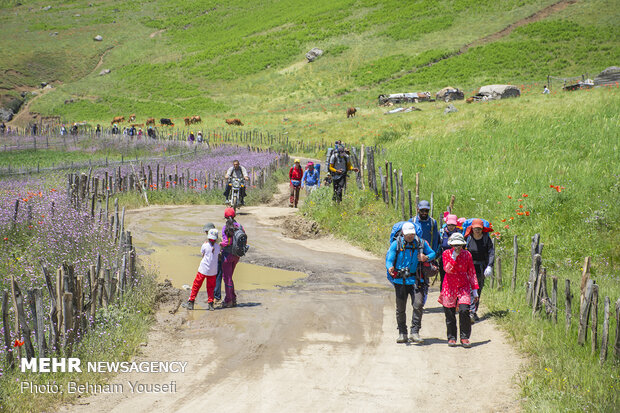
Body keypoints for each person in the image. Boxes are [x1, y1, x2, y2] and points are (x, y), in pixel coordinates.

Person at [386, 221, 436, 344]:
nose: (410, 236)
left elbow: (433, 253)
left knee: (418, 305)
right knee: (400, 308)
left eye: (412, 234)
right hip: (400, 280)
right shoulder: (395, 244)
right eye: (408, 234)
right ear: (403, 233)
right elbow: (389, 259)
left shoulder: (421, 243)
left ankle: (415, 332)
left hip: (416, 279)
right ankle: (402, 333)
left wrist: (426, 258)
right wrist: (390, 267)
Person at [439, 232, 479, 348]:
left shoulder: (467, 255)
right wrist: (454, 256)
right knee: (449, 313)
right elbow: (447, 269)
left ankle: (465, 337)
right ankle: (451, 337)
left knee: (464, 310)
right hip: (449, 286)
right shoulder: (446, 253)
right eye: (455, 245)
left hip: (463, 286)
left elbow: (471, 272)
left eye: (459, 245)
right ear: (451, 245)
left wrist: (475, 291)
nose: (457, 248)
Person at [464, 218, 495, 322]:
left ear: (482, 229)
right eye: (475, 228)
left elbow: (491, 252)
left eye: (479, 229)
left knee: (478, 289)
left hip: (481, 268)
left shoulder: (486, 239)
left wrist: (490, 265)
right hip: (469, 268)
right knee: (470, 289)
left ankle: (473, 311)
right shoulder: (468, 238)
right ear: (472, 228)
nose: (477, 231)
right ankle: (471, 312)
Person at [186, 227, 221, 311]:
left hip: (203, 269)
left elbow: (203, 254)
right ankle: (210, 304)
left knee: (196, 285)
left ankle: (191, 302)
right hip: (213, 271)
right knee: (211, 288)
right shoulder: (218, 247)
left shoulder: (205, 245)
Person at [220, 207, 244, 308]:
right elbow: (244, 240)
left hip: (227, 256)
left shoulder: (225, 228)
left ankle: (229, 300)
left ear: (225, 217)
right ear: (234, 215)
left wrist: (219, 244)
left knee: (227, 278)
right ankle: (233, 298)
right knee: (230, 278)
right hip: (237, 255)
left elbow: (225, 243)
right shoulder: (240, 226)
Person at [414, 200, 440, 280]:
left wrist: (433, 255)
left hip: (428, 254)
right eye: (422, 210)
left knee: (425, 275)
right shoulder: (412, 221)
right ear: (418, 209)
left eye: (426, 210)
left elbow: (435, 239)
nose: (424, 213)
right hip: (415, 253)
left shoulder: (432, 222)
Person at [439, 214, 460, 288]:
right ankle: (443, 296)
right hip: (443, 260)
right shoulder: (441, 233)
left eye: (453, 225)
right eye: (449, 225)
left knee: (456, 279)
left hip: (457, 260)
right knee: (444, 279)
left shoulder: (459, 233)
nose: (451, 227)